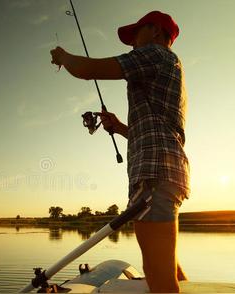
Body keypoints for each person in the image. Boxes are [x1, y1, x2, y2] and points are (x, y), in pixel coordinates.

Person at [50, 11, 190, 293]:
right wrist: (120, 127)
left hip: (154, 174)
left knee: (158, 274)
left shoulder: (156, 54)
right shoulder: (170, 66)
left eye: (135, 35)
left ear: (154, 31)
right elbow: (156, 129)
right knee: (166, 264)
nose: (132, 44)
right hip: (161, 172)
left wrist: (63, 57)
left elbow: (87, 70)